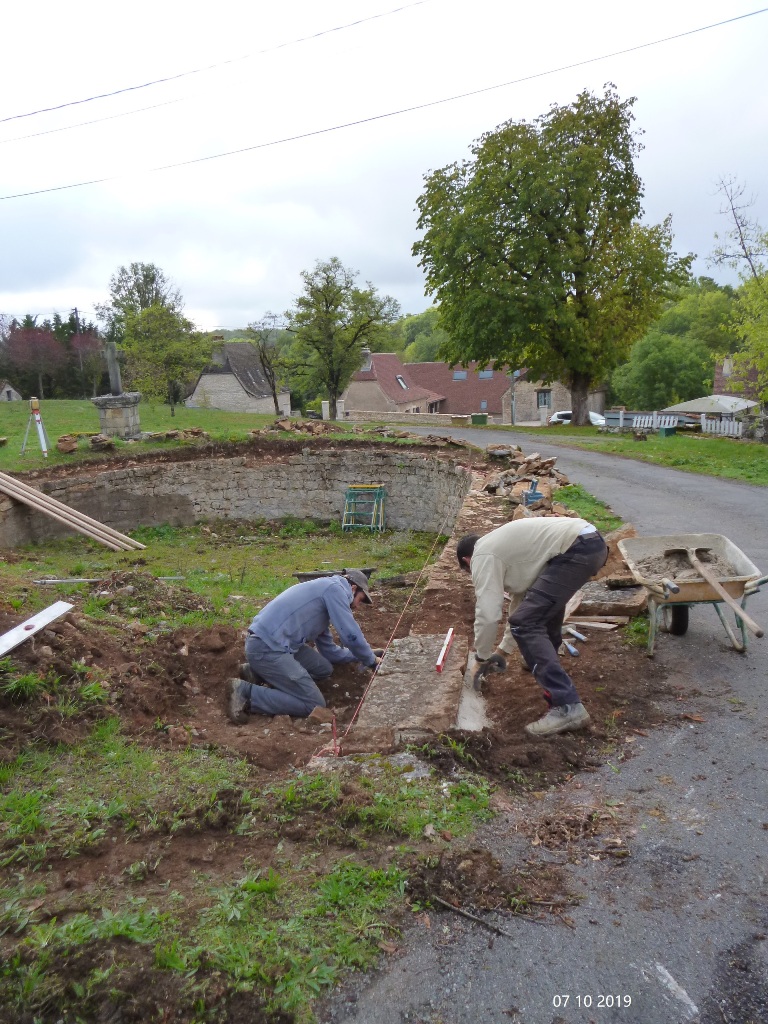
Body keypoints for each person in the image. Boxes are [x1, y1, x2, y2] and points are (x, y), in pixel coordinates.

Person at [456, 517, 608, 737]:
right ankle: (539, 660)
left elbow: (488, 614)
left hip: (575, 549)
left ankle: (567, 706)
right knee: (542, 613)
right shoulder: (509, 552)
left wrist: (481, 658)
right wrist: (501, 652)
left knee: (527, 624)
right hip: (589, 542)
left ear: (467, 560)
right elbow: (521, 605)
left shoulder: (482, 556)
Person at [225, 569, 382, 722]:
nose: (358, 606)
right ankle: (246, 693)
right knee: (313, 704)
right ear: (353, 588)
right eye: (360, 600)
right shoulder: (336, 589)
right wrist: (370, 660)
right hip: (266, 647)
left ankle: (255, 673)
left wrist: (365, 654)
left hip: (276, 644)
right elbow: (350, 635)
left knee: (323, 668)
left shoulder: (324, 595)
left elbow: (330, 652)